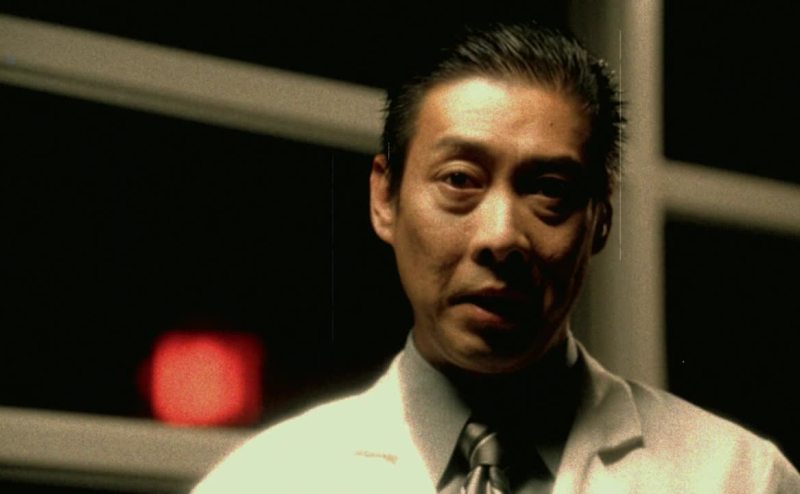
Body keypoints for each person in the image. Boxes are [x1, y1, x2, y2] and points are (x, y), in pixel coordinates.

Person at [192, 22, 799, 493]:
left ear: (601, 219)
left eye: (549, 190)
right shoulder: (265, 481)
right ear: (385, 197)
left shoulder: (739, 477)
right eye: (460, 179)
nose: (502, 237)